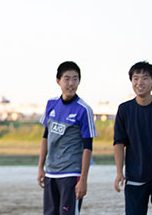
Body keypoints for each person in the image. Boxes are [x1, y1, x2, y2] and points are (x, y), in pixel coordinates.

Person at [37, 61, 96, 214]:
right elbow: (45, 137)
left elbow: (88, 147)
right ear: (58, 81)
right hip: (50, 173)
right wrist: (40, 168)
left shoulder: (84, 109)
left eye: (75, 79)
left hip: (71, 174)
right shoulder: (51, 104)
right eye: (67, 78)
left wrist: (83, 179)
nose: (71, 83)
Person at [113, 61, 152, 214]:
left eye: (145, 78)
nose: (139, 82)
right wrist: (119, 172)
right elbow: (119, 143)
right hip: (135, 176)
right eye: (135, 78)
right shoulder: (125, 109)